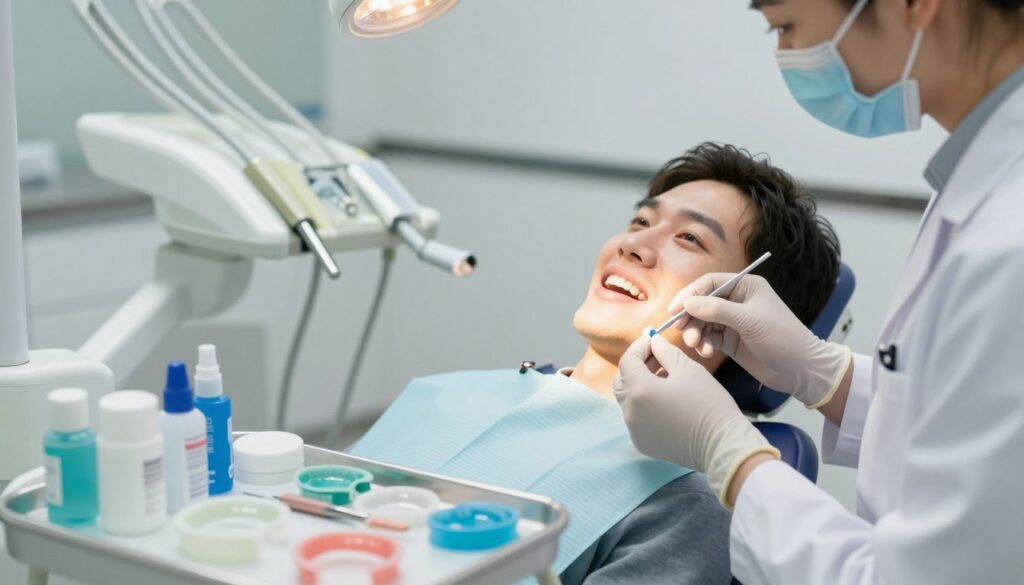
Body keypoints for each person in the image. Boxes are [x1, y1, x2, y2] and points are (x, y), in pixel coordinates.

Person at [613, 1, 1024, 583]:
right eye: (638, 221)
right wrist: (830, 376)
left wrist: (732, 456)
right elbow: (968, 415)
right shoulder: (980, 179)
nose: (784, 52)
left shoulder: (1011, 237)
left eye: (784, 24)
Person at [352, 142, 840, 585]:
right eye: (641, 222)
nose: (633, 245)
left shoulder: (684, 506)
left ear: (743, 312)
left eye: (690, 239)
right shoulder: (450, 394)